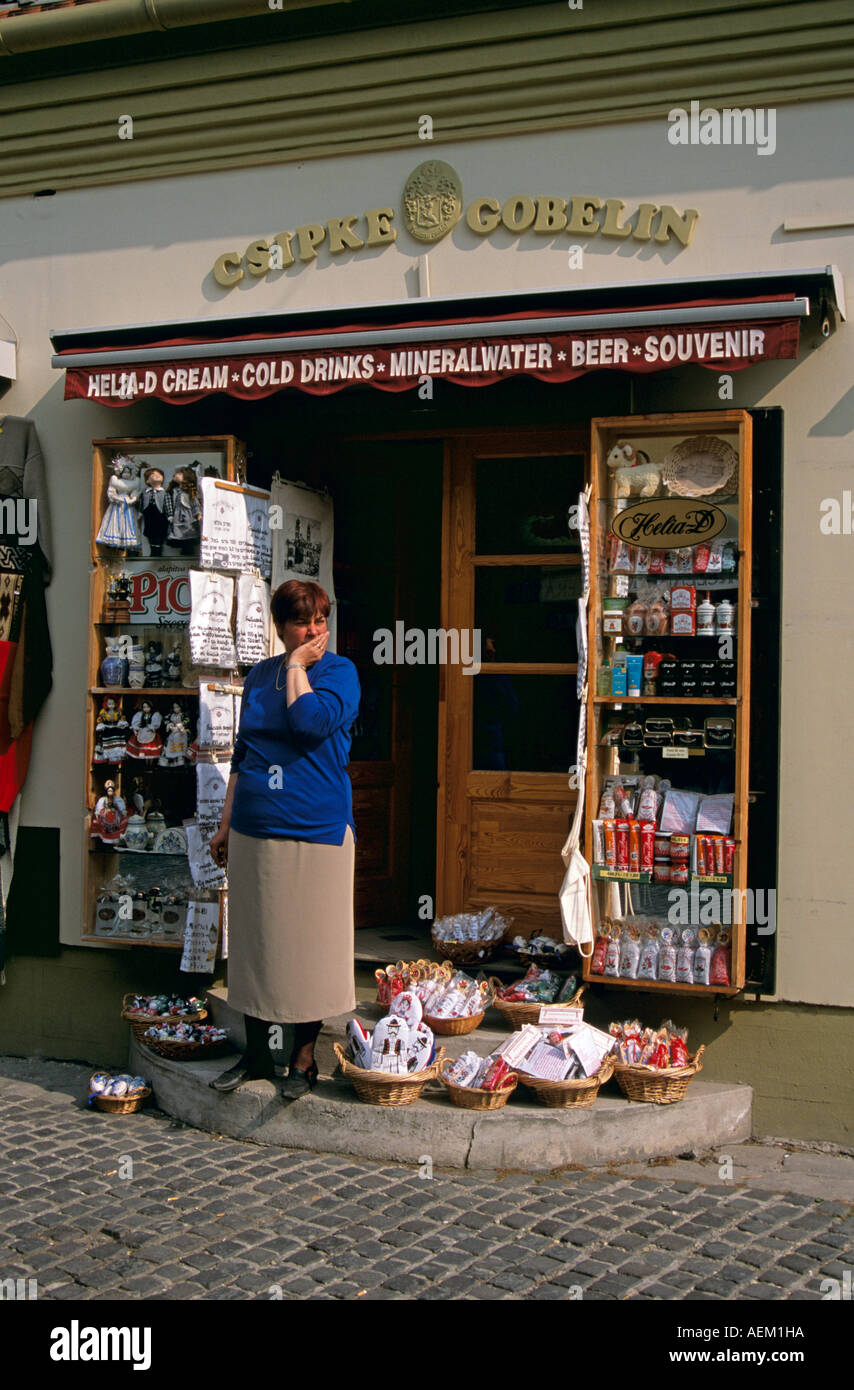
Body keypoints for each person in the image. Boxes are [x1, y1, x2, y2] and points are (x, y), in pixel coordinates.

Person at [209, 580, 360, 1100]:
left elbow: (310, 723)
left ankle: (302, 1059)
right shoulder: (257, 677)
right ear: (280, 627)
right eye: (302, 622)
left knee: (309, 947)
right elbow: (245, 754)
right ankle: (255, 1056)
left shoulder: (340, 672)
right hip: (255, 826)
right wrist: (226, 823)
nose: (314, 630)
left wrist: (297, 666)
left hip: (317, 828)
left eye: (321, 620)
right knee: (256, 944)